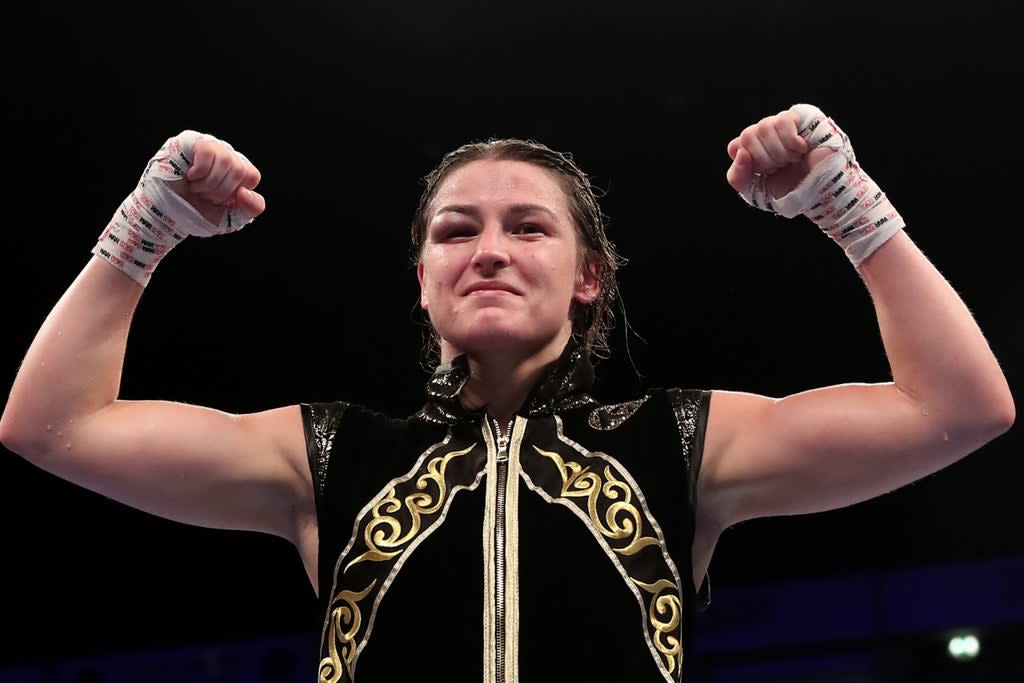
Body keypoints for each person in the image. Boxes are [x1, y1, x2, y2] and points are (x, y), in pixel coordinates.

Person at [0, 104, 1014, 683]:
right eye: (455, 230)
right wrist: (145, 229)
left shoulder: (684, 443)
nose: (488, 249)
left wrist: (849, 210)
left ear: (587, 274)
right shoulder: (322, 458)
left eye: (527, 226)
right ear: (423, 279)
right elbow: (56, 426)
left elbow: (960, 407)